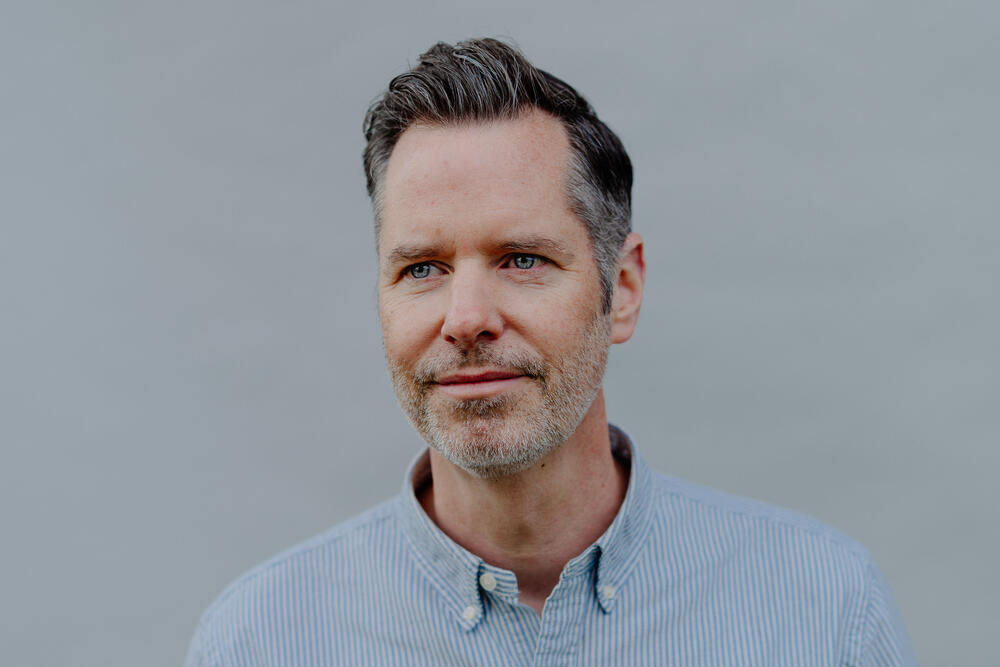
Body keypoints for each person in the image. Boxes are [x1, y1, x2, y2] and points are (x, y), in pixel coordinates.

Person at [185, 38, 914, 666]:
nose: (466, 318)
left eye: (523, 259)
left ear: (622, 288)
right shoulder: (263, 641)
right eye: (422, 269)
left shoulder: (821, 612)